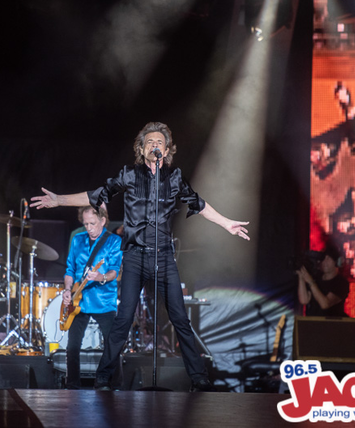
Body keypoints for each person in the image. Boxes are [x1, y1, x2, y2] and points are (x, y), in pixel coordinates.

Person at [32, 121, 250, 392]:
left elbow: (199, 204)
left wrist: (227, 223)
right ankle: (103, 378)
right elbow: (96, 195)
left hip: (164, 257)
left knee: (180, 318)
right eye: (149, 142)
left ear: (167, 149)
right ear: (141, 148)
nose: (154, 145)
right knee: (123, 319)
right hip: (135, 257)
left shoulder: (174, 178)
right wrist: (59, 200)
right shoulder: (129, 175)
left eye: (159, 142)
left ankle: (199, 379)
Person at [62, 206, 123, 389]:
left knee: (112, 346)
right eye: (85, 223)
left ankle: (114, 384)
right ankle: (72, 385)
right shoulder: (77, 240)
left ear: (103, 221)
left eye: (92, 223)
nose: (88, 228)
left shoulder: (114, 241)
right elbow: (69, 269)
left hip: (104, 301)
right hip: (79, 300)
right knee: (72, 347)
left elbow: (114, 271)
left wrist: (101, 277)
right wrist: (67, 289)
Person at [296, 244, 349, 317]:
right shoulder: (316, 276)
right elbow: (304, 300)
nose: (325, 261)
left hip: (331, 325)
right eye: (323, 258)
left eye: (328, 258)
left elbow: (325, 304)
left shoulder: (341, 283)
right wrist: (301, 276)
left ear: (337, 262)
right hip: (312, 323)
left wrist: (311, 282)